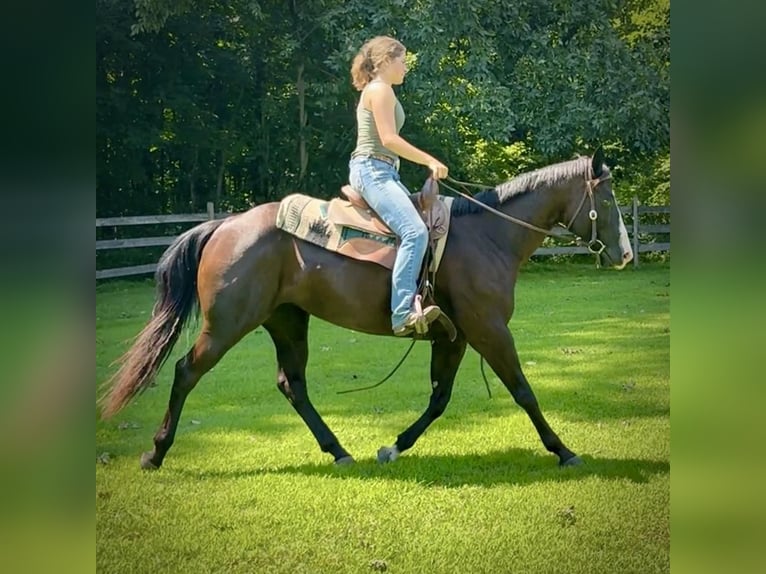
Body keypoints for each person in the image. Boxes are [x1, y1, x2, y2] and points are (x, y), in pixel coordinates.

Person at [348, 36, 449, 336]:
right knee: (414, 231)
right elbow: (389, 139)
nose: (406, 67)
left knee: (422, 225)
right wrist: (430, 161)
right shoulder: (380, 90)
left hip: (384, 172)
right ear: (385, 62)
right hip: (373, 170)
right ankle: (401, 313)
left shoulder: (381, 90)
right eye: (402, 61)